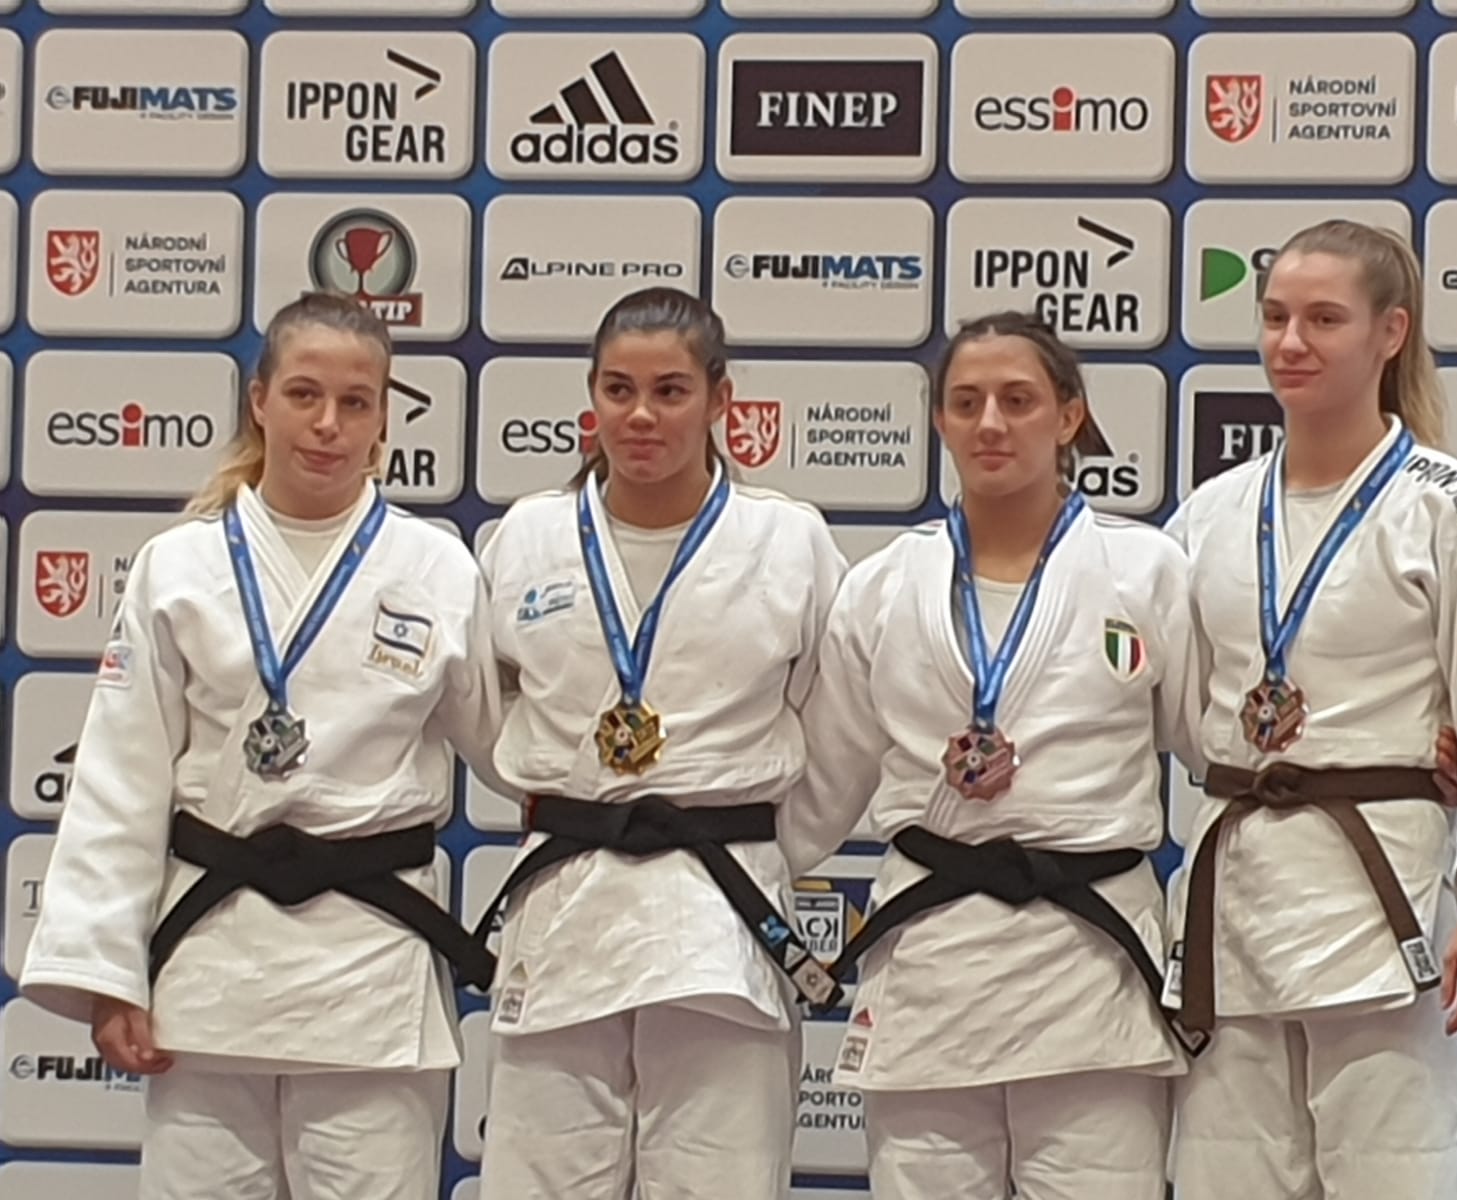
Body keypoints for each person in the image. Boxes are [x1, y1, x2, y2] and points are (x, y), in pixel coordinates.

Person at [21, 291, 508, 1200]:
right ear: (260, 401)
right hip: (213, 969)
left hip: (369, 970)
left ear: (385, 417)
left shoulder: (437, 568)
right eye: (304, 395)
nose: (328, 425)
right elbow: (121, 781)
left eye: (355, 402)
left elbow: (513, 749)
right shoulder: (180, 566)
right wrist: (108, 972)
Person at [1163, 219, 1457, 1199]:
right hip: (1235, 907)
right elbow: (1180, 715)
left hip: (1386, 907)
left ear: (1390, 332)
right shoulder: (1209, 515)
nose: (1290, 342)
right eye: (1275, 317)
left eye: (1323, 319)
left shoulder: (1455, 507)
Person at [781, 311, 1204, 1200]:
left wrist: (1388, 753)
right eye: (966, 402)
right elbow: (820, 788)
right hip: (935, 962)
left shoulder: (1146, 570)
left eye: (1018, 400)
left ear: (1069, 416)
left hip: (1090, 963)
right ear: (939, 420)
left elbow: (1217, 743)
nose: (990, 424)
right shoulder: (883, 586)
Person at [474, 286, 848, 1200]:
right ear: (592, 399)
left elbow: (839, 730)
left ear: (721, 400)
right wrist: (564, 801)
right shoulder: (527, 537)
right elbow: (487, 714)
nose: (641, 415)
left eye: (670, 391)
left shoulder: (787, 540)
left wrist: (760, 846)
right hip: (566, 905)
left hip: (718, 918)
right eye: (619, 389)